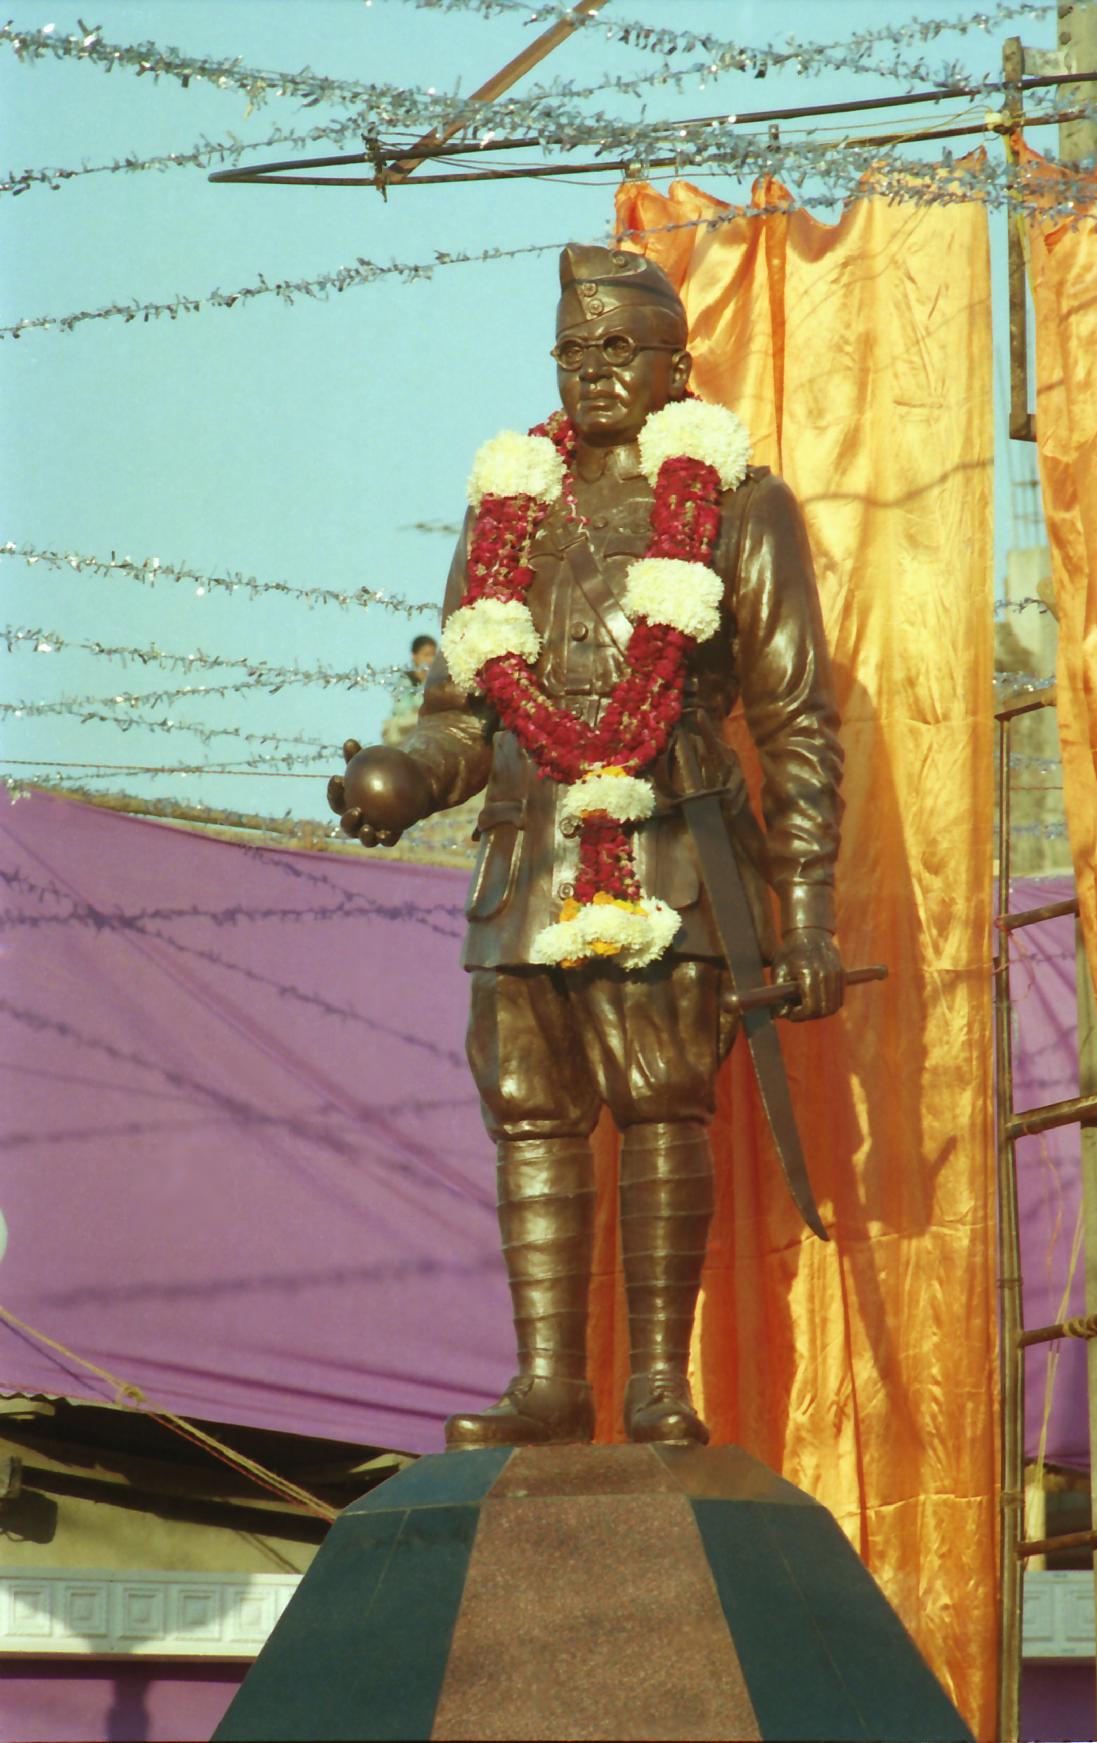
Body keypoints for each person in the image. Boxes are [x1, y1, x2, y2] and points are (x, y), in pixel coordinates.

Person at [328, 244, 844, 1449]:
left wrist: (808, 914)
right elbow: (468, 712)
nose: (595, 370)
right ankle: (548, 1383)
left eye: (619, 348)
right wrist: (402, 778)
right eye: (574, 350)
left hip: (672, 849)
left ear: (675, 363)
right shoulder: (504, 507)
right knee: (530, 1112)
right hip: (526, 856)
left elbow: (795, 720)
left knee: (662, 1104)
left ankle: (657, 1381)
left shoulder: (739, 504)